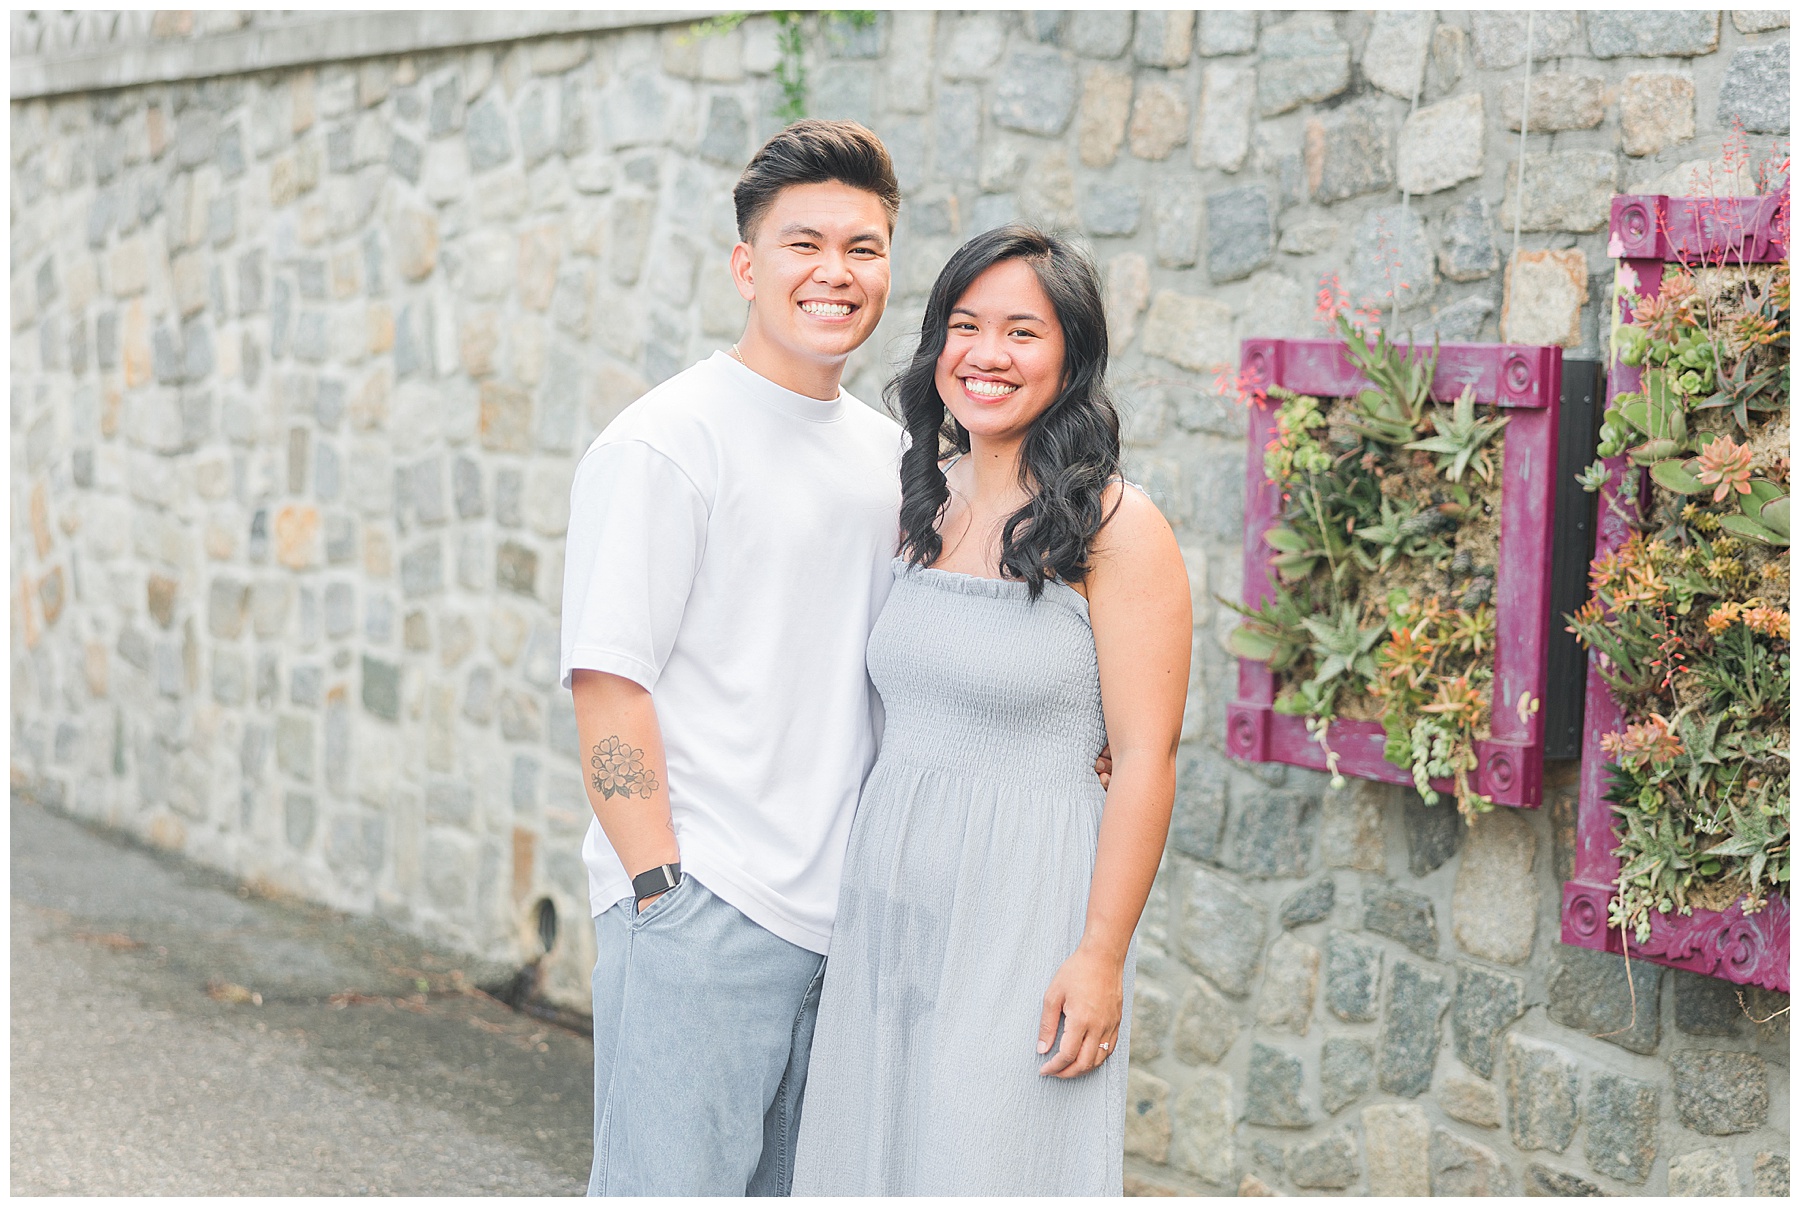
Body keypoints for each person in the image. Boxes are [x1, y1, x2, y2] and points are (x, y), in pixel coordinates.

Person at [791, 224, 1191, 1196]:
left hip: (1026, 909)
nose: (988, 355)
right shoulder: (915, 500)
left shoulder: (1117, 527)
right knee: (867, 1158)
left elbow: (1144, 756)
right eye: (966, 326)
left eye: (1023, 331)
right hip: (890, 906)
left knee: (988, 1162)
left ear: (1071, 355)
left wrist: (1100, 955)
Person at [557, 119, 905, 1195]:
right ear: (748, 266)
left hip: (847, 931)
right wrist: (661, 891)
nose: (836, 273)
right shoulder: (667, 442)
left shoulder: (894, 457)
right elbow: (611, 681)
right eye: (805, 244)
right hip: (705, 912)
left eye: (865, 246)